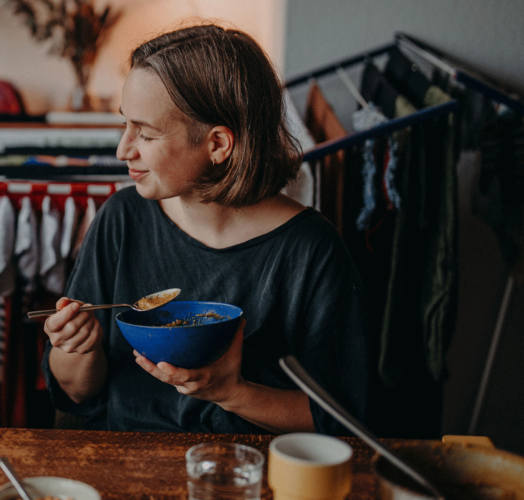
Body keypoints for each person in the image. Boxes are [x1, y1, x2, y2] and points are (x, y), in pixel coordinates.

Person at [42, 24, 368, 435]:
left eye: (145, 133)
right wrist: (76, 347)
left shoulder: (310, 250)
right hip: (127, 463)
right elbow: (75, 393)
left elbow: (343, 421)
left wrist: (231, 392)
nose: (123, 150)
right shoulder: (122, 219)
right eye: (125, 125)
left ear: (217, 144)